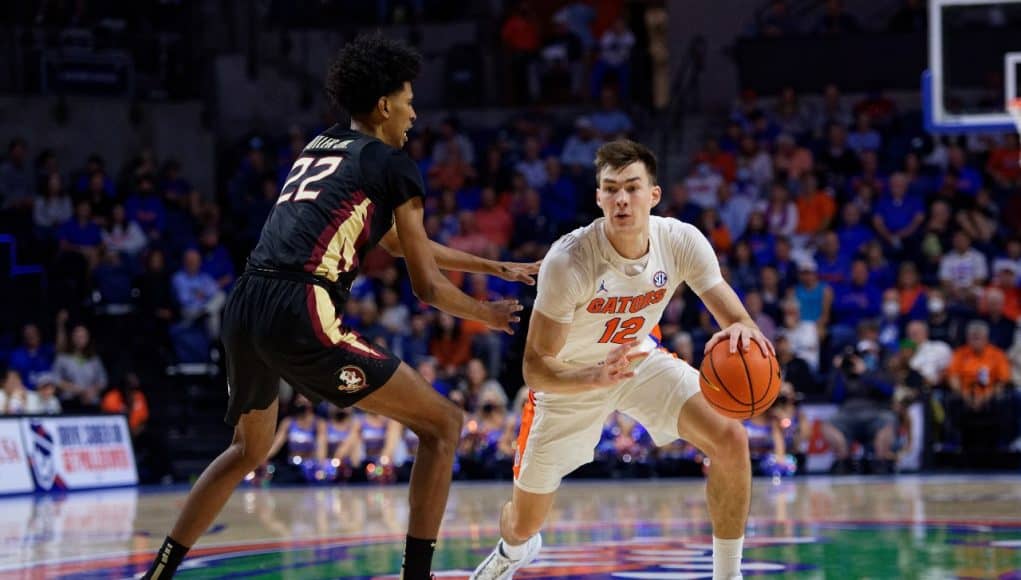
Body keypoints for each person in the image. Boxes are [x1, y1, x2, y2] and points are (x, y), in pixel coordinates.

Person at [140, 33, 537, 580]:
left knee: (247, 451)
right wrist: (484, 312)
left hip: (246, 300)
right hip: (301, 304)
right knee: (445, 424)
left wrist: (494, 267)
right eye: (408, 100)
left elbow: (399, 243)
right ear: (383, 106)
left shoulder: (322, 147)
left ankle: (157, 574)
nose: (414, 113)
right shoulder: (394, 164)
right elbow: (424, 285)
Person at [470, 140, 771, 580]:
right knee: (523, 522)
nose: (621, 199)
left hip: (636, 361)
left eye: (632, 187)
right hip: (568, 381)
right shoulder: (569, 261)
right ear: (598, 198)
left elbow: (738, 320)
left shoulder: (681, 241)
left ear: (654, 195)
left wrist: (744, 330)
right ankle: (512, 551)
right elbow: (534, 368)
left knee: (731, 439)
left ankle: (728, 576)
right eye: (610, 189)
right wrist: (592, 375)